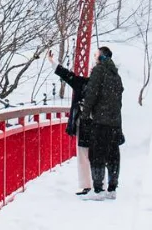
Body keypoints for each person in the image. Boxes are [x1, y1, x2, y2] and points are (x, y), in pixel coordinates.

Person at [46, 50, 93, 195]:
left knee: (84, 155)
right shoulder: (105, 86)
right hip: (98, 124)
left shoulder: (81, 83)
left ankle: (87, 185)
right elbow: (66, 74)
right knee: (96, 155)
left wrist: (53, 63)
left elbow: (67, 75)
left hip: (84, 124)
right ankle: (99, 185)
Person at [81, 46, 124, 200]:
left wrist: (85, 115)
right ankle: (112, 189)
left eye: (96, 54)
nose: (94, 56)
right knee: (113, 155)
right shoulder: (116, 75)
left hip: (101, 121)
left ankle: (98, 190)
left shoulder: (99, 71)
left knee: (98, 154)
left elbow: (91, 94)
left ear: (102, 57)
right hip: (115, 122)